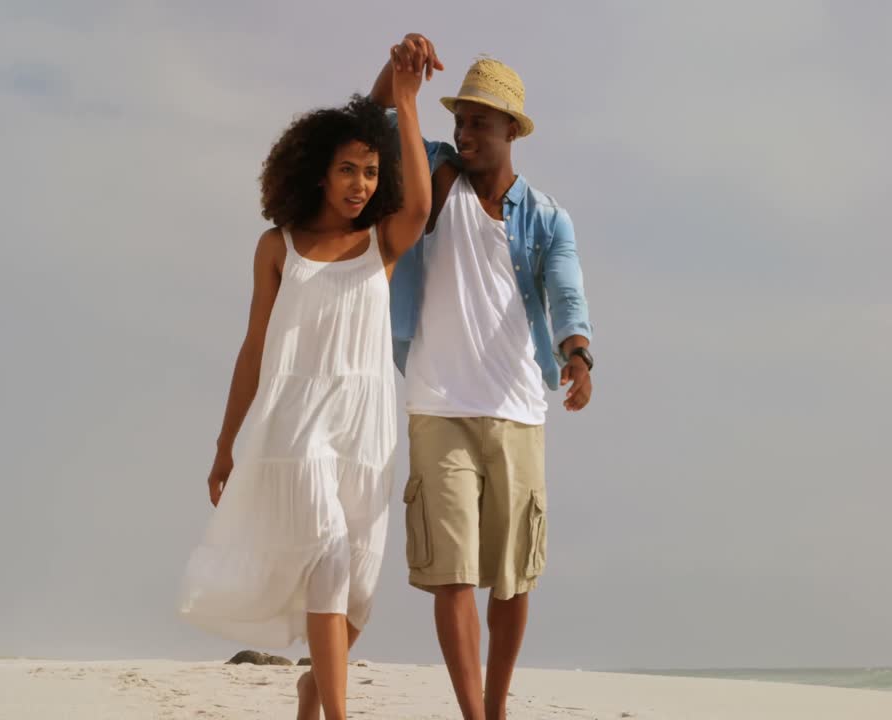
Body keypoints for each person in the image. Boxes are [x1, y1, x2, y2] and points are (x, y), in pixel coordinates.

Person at [178, 60, 432, 720]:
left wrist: (405, 100)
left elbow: (422, 204)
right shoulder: (277, 246)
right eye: (349, 168)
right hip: (296, 419)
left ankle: (312, 691)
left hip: (367, 422)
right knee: (327, 550)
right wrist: (225, 445)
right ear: (320, 170)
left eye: (372, 172)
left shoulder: (383, 241)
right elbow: (255, 348)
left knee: (362, 584)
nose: (360, 184)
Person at [369, 35, 595, 720]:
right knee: (452, 574)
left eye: (478, 123)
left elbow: (567, 293)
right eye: (459, 120)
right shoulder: (432, 170)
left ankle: (497, 706)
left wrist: (578, 353)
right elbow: (373, 120)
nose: (464, 132)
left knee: (513, 579)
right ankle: (475, 714)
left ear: (510, 131)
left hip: (519, 409)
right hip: (436, 404)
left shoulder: (548, 217)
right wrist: (398, 70)